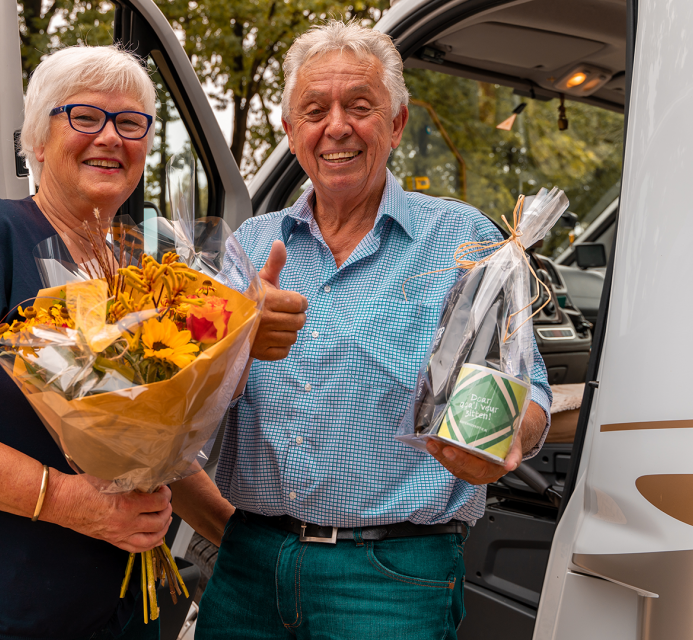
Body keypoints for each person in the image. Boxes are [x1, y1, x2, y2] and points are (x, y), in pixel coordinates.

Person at [190, 21, 554, 638]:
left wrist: (501, 437)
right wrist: (235, 347)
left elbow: (530, 393)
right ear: (291, 132)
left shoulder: (464, 242)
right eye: (315, 110)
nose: (336, 126)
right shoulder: (250, 245)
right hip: (250, 561)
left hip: (392, 576)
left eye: (359, 107)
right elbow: (195, 400)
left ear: (396, 124)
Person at [0, 45, 224, 640]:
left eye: (130, 123)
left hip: (117, 610)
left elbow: (147, 442)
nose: (110, 137)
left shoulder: (137, 265)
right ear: (37, 140)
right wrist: (68, 502)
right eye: (83, 116)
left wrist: (231, 533)